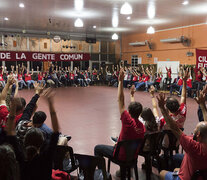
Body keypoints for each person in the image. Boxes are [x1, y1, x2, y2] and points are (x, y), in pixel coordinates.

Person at [94, 68, 144, 176]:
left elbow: (120, 100)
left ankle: (102, 174)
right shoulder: (142, 126)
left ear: (129, 112)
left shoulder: (127, 121)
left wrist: (120, 81)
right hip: (132, 156)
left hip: (120, 155)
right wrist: (132, 96)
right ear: (139, 113)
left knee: (97, 148)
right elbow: (127, 106)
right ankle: (126, 170)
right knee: (120, 140)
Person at [158, 91, 207, 180]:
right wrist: (203, 105)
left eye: (195, 129)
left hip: (186, 178)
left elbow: (174, 128)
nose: (193, 131)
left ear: (199, 135)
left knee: (162, 173)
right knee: (176, 158)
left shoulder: (193, 145)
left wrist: (162, 108)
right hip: (201, 174)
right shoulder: (201, 141)